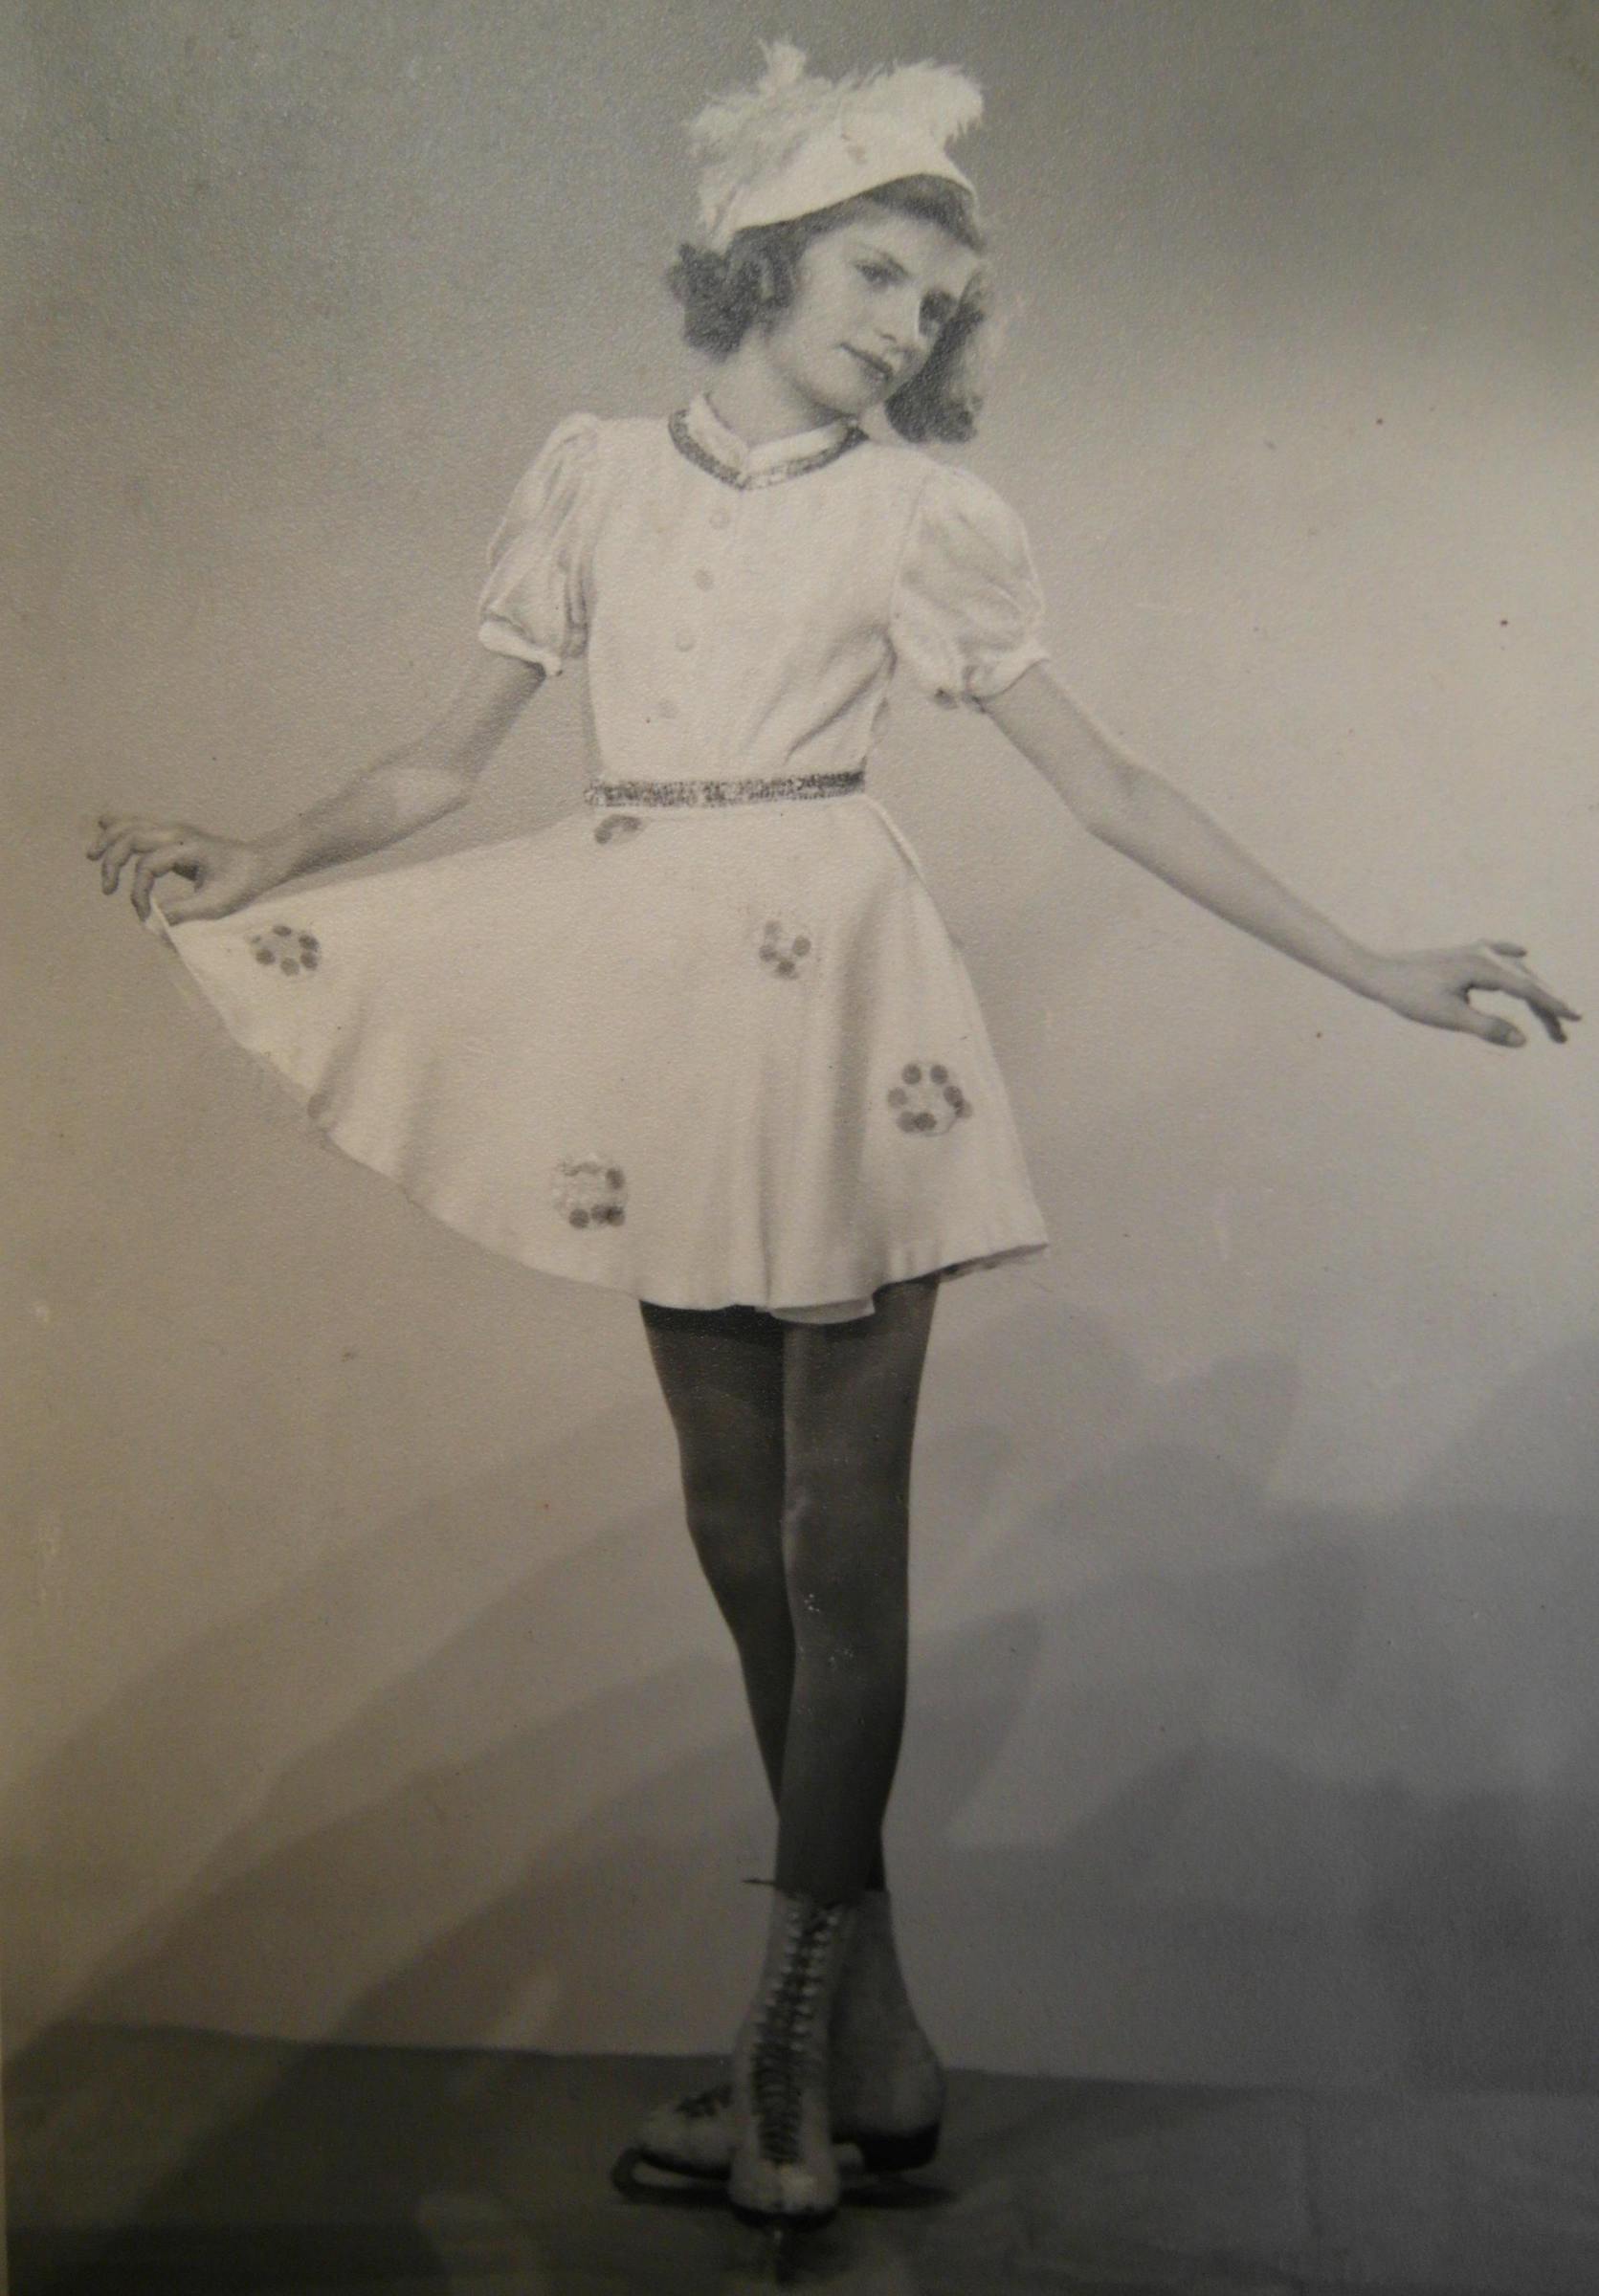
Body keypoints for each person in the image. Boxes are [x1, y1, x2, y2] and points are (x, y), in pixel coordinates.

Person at [88, 41, 1577, 2237]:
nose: (908, 326)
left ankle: (779, 2059)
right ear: (763, 256)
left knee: (833, 1542)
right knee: (736, 1530)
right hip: (660, 1004)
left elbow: (1106, 788)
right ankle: (869, 2040)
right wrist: (263, 851)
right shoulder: (591, 474)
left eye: (934, 302)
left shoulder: (916, 516)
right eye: (876, 274)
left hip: (838, 1007)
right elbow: (439, 763)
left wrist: (1369, 965)